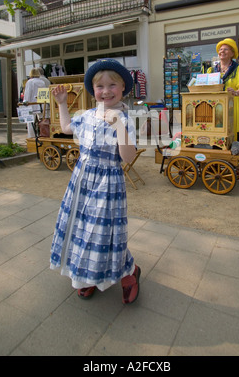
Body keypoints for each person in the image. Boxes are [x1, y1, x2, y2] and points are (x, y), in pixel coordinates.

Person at [50, 58, 141, 304]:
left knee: (105, 233)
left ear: (123, 88)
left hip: (107, 185)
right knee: (81, 227)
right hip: (82, 181)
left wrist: (119, 126)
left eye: (112, 85)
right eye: (100, 86)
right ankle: (86, 276)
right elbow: (67, 127)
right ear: (93, 90)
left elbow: (128, 157)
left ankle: (129, 273)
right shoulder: (87, 115)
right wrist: (62, 103)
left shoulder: (125, 119)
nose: (106, 91)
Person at [207, 38, 239, 138]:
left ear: (232, 53)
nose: (222, 51)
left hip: (232, 104)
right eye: (220, 49)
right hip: (214, 104)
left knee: (232, 130)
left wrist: (236, 92)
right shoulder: (211, 70)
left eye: (225, 49)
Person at [23, 68, 46, 138]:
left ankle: (31, 136)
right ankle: (43, 134)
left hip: (32, 104)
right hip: (41, 104)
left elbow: (28, 93)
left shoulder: (30, 82)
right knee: (42, 120)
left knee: (30, 121)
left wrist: (25, 102)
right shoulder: (42, 82)